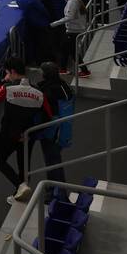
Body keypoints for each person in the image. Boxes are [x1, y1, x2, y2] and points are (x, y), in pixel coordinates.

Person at [0, 56, 52, 204]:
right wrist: (33, 133)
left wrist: (4, 82)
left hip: (8, 134)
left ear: (11, 71)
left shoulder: (8, 88)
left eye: (7, 72)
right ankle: (19, 192)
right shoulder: (38, 92)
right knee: (24, 165)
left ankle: (20, 186)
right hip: (27, 135)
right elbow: (48, 115)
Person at [34, 62, 73, 196]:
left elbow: (46, 113)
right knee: (53, 160)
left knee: (53, 161)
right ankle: (52, 189)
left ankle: (59, 193)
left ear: (46, 74)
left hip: (52, 131)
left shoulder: (48, 90)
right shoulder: (65, 86)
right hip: (62, 131)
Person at [60, 0, 90, 79]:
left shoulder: (72, 1)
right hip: (74, 29)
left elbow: (70, 16)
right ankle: (62, 68)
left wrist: (55, 23)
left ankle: (84, 70)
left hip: (73, 30)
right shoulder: (75, 0)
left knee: (72, 51)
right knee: (65, 49)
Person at [17, 0, 52, 65]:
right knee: (42, 43)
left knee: (32, 43)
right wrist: (49, 17)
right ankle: (43, 60)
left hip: (27, 25)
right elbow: (42, 9)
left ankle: (33, 60)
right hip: (39, 24)